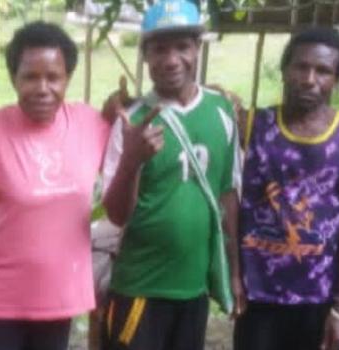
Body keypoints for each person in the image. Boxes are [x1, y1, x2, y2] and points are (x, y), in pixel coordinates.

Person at [0, 21, 114, 350]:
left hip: (58, 302)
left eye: (53, 77)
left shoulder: (89, 125)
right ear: (14, 78)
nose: (42, 88)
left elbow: (135, 134)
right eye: (30, 77)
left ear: (67, 78)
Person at [100, 0, 243, 349]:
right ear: (145, 55)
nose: (171, 60)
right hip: (140, 287)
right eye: (159, 49)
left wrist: (234, 274)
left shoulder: (222, 112)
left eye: (182, 46)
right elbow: (117, 215)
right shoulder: (130, 121)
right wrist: (132, 161)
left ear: (197, 48)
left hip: (193, 290)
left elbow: (227, 196)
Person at [234, 28, 339, 350]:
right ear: (284, 70)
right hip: (257, 295)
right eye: (301, 66)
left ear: (337, 79)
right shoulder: (252, 126)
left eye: (323, 70)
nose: (309, 79)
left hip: (318, 298)